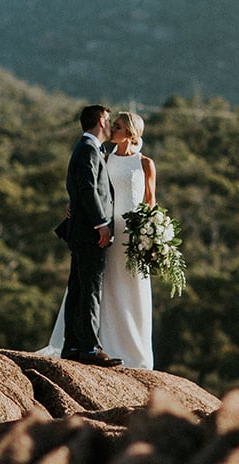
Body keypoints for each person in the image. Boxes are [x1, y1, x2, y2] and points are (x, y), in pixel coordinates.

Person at [40, 110, 157, 369]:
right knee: (98, 288)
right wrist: (75, 206)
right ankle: (94, 343)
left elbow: (151, 204)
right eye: (111, 124)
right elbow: (88, 184)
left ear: (129, 132)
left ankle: (132, 350)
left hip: (132, 236)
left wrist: (152, 234)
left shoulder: (146, 163)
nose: (112, 129)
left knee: (130, 290)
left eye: (117, 126)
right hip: (105, 231)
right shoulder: (104, 156)